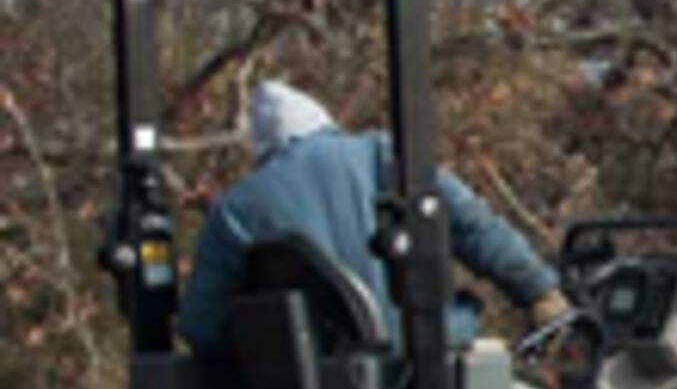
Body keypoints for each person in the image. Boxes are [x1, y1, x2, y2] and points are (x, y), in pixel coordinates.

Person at [180, 80, 564, 355]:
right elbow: (472, 225)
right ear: (324, 124)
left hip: (306, 385)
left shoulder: (237, 208)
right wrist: (538, 291)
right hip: (415, 353)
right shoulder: (383, 156)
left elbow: (201, 327)